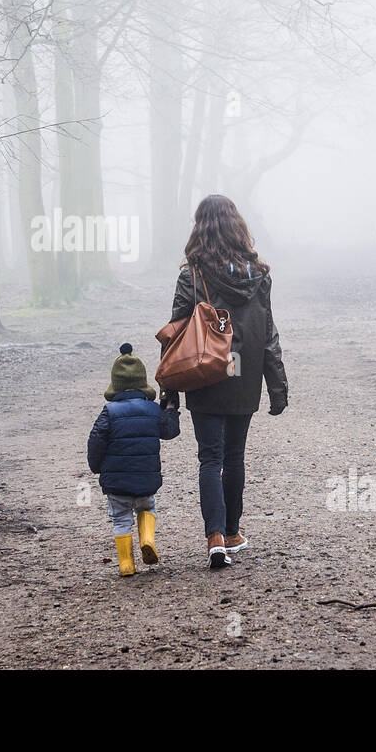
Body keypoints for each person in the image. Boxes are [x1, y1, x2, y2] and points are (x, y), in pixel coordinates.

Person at [164, 195, 287, 570]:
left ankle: (214, 536)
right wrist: (277, 384)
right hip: (242, 372)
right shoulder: (259, 275)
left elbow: (176, 332)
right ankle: (232, 533)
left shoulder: (193, 274)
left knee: (209, 457)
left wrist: (169, 388)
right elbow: (268, 333)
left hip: (205, 372)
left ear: (200, 227)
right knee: (234, 457)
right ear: (238, 227)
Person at [87, 343, 181, 576]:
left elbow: (96, 441)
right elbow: (169, 431)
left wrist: (96, 467)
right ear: (143, 382)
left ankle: (126, 564)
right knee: (147, 506)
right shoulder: (152, 410)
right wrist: (169, 409)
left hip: (117, 483)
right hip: (145, 478)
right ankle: (147, 540)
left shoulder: (109, 412)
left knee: (120, 518)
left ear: (115, 385)